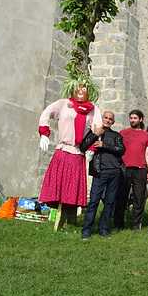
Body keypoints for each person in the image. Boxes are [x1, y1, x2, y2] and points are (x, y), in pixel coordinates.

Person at [38, 79, 102, 227]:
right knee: (58, 184)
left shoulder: (92, 109)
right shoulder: (64, 104)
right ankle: (56, 218)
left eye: (84, 89)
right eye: (78, 88)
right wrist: (44, 133)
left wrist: (92, 148)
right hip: (62, 150)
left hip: (78, 152)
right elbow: (45, 114)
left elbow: (97, 129)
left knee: (72, 187)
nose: (81, 92)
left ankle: (69, 222)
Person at [79, 111, 125, 240]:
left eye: (111, 119)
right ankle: (87, 230)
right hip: (100, 172)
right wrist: (95, 135)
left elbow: (121, 150)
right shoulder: (95, 132)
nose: (108, 120)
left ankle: (103, 229)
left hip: (115, 172)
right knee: (93, 201)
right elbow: (83, 146)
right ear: (102, 118)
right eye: (106, 118)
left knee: (109, 203)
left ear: (113, 122)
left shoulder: (116, 136)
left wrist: (104, 145)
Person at [114, 110, 148, 231]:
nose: (132, 120)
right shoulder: (122, 133)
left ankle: (136, 225)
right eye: (131, 118)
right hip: (124, 168)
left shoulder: (146, 135)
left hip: (140, 169)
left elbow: (147, 154)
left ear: (140, 119)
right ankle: (118, 224)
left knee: (139, 198)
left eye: (135, 118)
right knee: (121, 197)